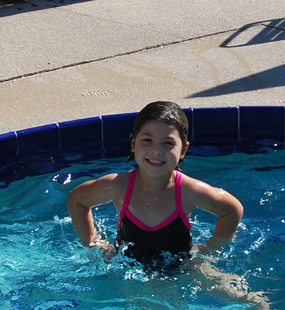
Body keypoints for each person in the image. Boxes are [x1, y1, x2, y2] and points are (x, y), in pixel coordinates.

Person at [67, 101, 243, 272]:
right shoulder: (118, 186)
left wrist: (209, 250)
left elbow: (232, 209)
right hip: (128, 268)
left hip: (181, 269)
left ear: (183, 150)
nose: (156, 150)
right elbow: (77, 200)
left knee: (243, 297)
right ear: (133, 144)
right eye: (147, 140)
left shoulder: (188, 191)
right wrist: (95, 244)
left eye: (168, 143)